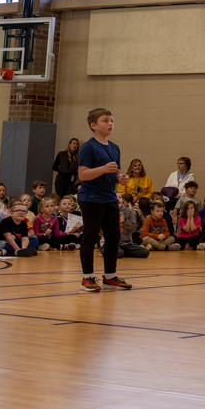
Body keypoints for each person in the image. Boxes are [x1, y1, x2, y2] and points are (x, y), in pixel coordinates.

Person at [76, 108, 133, 292]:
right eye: (105, 120)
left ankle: (110, 276)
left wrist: (120, 178)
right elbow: (83, 174)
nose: (110, 124)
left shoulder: (114, 147)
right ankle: (87, 278)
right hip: (91, 197)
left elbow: (115, 171)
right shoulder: (88, 147)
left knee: (114, 236)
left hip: (109, 197)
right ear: (93, 125)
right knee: (90, 236)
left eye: (111, 120)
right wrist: (102, 169)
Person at [113, 193, 149, 259]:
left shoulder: (129, 211)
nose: (118, 199)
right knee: (119, 253)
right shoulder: (108, 211)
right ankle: (107, 249)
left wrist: (124, 221)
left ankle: (122, 251)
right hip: (113, 243)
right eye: (116, 197)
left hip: (126, 244)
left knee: (145, 252)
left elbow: (133, 229)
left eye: (120, 197)